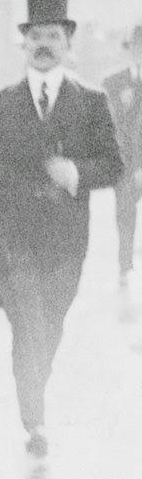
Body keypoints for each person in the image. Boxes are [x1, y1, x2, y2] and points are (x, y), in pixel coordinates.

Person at [0, 0, 122, 456]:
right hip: (14, 236)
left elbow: (115, 165)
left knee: (51, 325)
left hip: (66, 242)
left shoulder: (91, 100)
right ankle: (34, 415)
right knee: (29, 323)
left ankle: (34, 383)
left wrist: (77, 172)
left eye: (53, 35)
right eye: (36, 34)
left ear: (67, 43)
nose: (44, 43)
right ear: (25, 41)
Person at [103, 23, 142, 287]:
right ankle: (125, 266)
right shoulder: (114, 82)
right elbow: (112, 124)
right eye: (138, 47)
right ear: (131, 50)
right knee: (125, 217)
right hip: (126, 162)